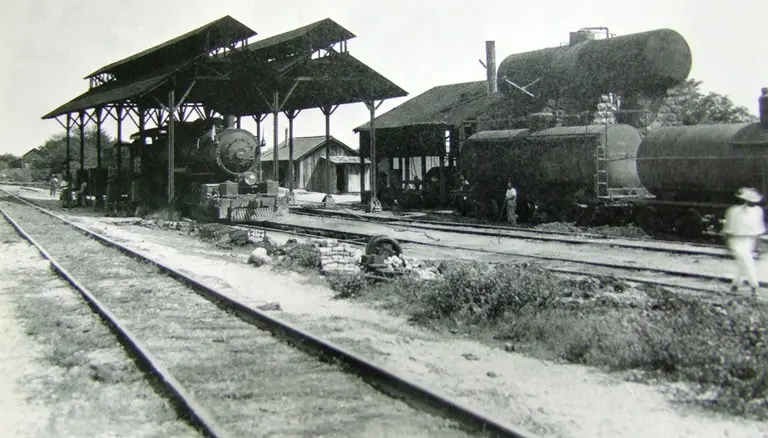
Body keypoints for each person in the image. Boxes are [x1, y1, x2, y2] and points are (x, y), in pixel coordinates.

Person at [722, 187, 766, 297]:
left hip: (750, 241)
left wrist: (758, 245)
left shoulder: (758, 211)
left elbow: (759, 230)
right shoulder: (733, 211)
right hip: (736, 240)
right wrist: (727, 245)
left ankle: (735, 285)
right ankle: (754, 286)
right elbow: (727, 231)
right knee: (748, 261)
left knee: (743, 264)